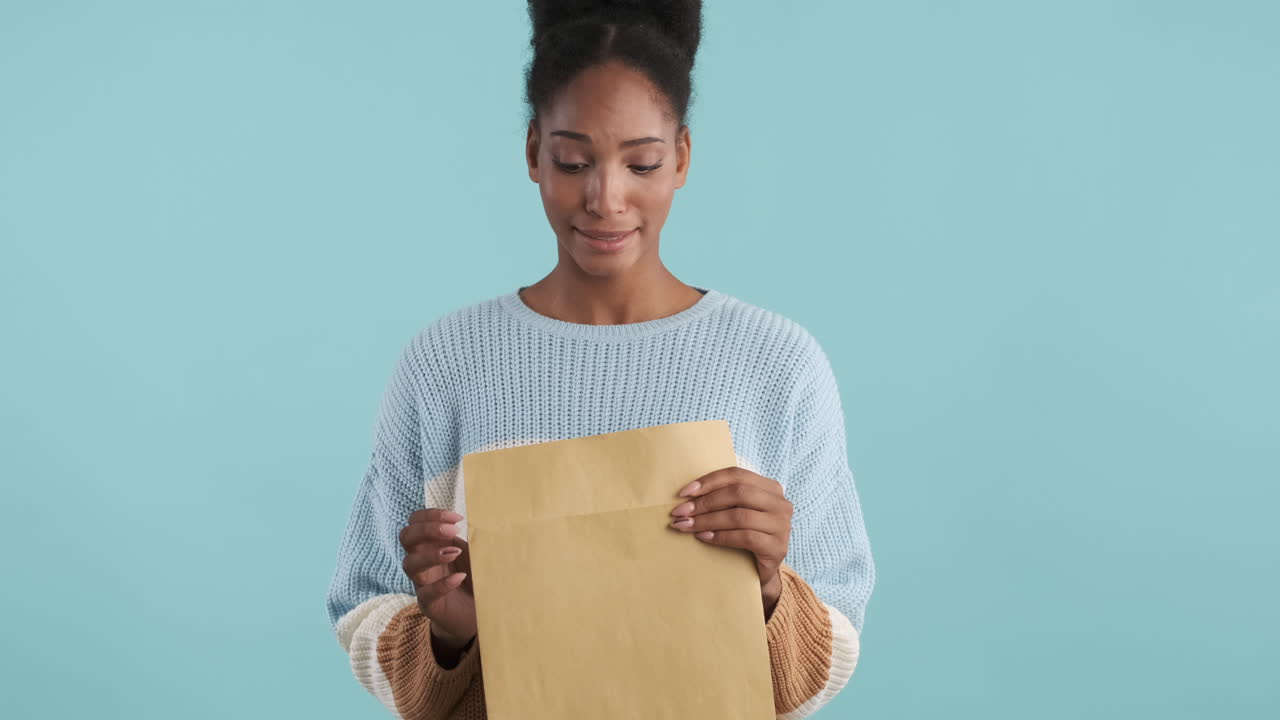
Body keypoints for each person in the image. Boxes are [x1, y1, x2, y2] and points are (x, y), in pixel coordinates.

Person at [324, 1, 876, 717]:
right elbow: (363, 604)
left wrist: (771, 589)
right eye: (573, 161)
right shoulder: (447, 363)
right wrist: (449, 636)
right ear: (532, 152)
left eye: (641, 162)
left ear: (681, 157)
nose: (605, 198)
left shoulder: (777, 364)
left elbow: (835, 640)